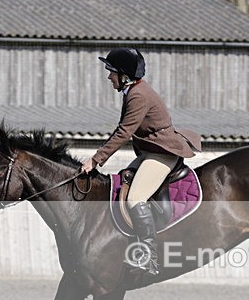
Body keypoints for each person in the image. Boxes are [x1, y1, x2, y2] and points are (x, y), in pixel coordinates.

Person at [80, 47, 201, 276]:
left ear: (124, 75)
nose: (108, 77)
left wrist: (95, 160)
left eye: (111, 72)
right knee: (124, 182)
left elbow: (123, 132)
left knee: (136, 198)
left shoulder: (138, 95)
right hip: (149, 152)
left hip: (162, 153)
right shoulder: (131, 91)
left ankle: (148, 257)